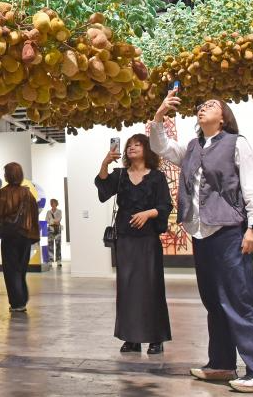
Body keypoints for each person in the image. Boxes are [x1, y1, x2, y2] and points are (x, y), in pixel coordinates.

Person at [151, 89, 253, 392]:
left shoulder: (237, 143)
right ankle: (222, 363)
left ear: (223, 118)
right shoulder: (192, 147)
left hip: (229, 231)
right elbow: (161, 146)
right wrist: (160, 114)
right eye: (201, 105)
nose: (202, 108)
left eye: (211, 105)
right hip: (200, 233)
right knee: (214, 301)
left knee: (240, 300)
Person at [96, 135, 172, 353]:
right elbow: (103, 191)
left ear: (147, 149)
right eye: (129, 145)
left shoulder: (157, 177)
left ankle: (156, 338)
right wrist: (105, 163)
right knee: (127, 288)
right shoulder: (120, 175)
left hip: (148, 239)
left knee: (151, 287)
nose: (131, 148)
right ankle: (131, 338)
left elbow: (165, 205)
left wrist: (148, 213)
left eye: (137, 145)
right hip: (125, 238)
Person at [0, 162, 41, 313]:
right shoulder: (27, 193)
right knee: (21, 269)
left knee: (11, 270)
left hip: (10, 235)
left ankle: (17, 302)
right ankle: (22, 298)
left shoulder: (3, 193)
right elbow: (34, 215)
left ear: (8, 175)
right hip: (25, 236)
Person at [45, 199, 62, 266]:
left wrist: (52, 220)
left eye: (54, 203)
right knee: (50, 245)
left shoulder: (59, 211)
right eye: (51, 203)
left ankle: (59, 261)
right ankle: (50, 261)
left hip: (57, 229)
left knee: (58, 245)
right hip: (50, 229)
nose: (52, 204)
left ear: (56, 204)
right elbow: (46, 220)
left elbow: (59, 219)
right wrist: (54, 221)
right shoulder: (48, 212)